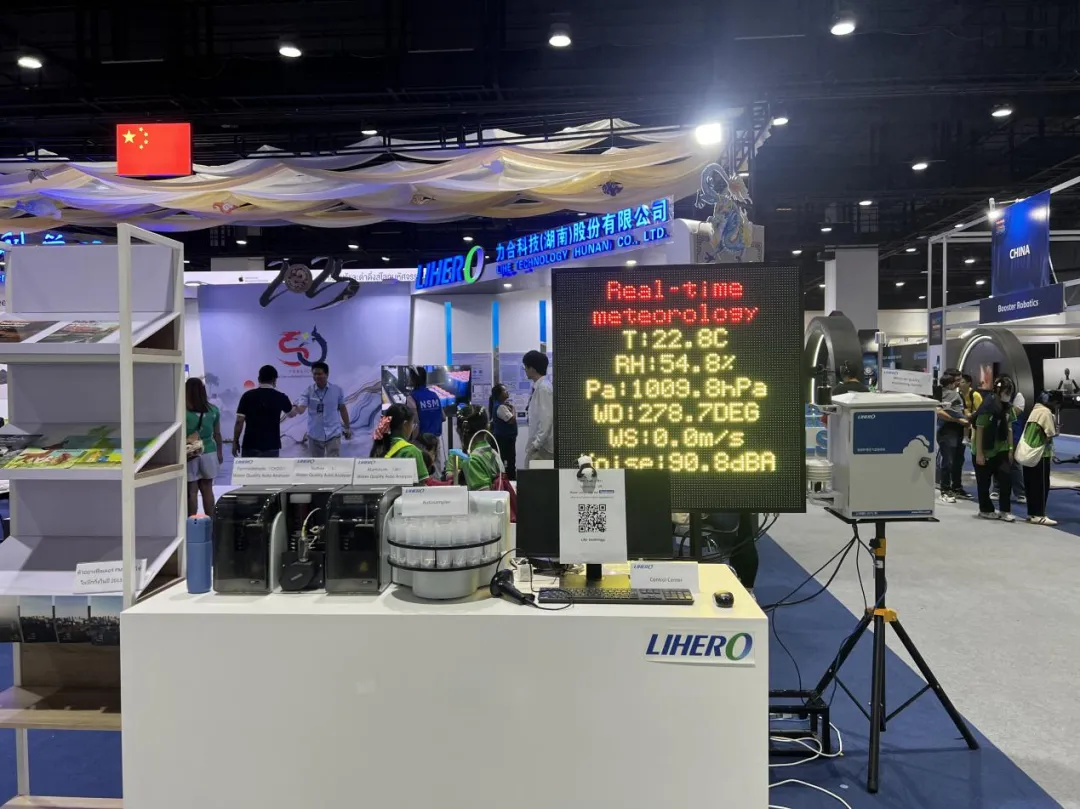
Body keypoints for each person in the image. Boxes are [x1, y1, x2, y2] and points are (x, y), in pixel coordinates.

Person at [974, 375, 1017, 521]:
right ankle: (985, 510)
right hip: (985, 449)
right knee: (984, 483)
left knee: (1006, 480)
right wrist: (979, 453)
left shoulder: (1008, 408)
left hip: (1002, 449)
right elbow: (980, 429)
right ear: (998, 390)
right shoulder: (987, 406)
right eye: (1006, 391)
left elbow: (1009, 428)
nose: (1008, 395)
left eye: (1010, 392)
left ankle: (1005, 510)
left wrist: (1010, 448)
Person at [232, 365, 295, 458]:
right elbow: (292, 414)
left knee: (250, 468)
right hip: (272, 446)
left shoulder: (247, 396)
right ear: (274, 380)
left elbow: (239, 421)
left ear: (259, 379)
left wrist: (235, 441)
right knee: (270, 468)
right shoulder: (281, 397)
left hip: (250, 445)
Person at [294, 361, 352, 457]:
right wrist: (296, 409)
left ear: (327, 374)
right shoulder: (308, 391)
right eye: (314, 374)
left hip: (333, 433)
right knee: (316, 463)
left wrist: (347, 427)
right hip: (314, 434)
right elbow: (301, 408)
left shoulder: (337, 390)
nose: (317, 376)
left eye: (319, 374)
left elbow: (343, 409)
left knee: (333, 462)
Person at [186, 377, 223, 516]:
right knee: (208, 489)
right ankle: (210, 522)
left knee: (192, 491)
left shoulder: (183, 412)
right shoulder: (213, 410)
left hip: (190, 453)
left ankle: (192, 523)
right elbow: (217, 434)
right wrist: (220, 453)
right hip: (209, 452)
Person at [370, 403, 431, 483]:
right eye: (412, 424)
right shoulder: (411, 451)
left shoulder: (378, 447)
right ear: (405, 425)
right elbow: (422, 484)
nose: (412, 428)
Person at [1021, 394, 1058, 526]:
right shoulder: (1045, 412)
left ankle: (1031, 513)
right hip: (1040, 455)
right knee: (1041, 485)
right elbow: (1050, 434)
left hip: (1028, 453)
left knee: (1030, 485)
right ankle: (1039, 514)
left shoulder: (1034, 410)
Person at [449, 405, 504, 490]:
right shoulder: (493, 453)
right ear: (487, 427)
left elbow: (483, 496)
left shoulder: (471, 461)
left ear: (458, 430)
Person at [936, 373, 968, 503]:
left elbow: (962, 411)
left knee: (958, 461)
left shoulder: (958, 395)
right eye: (957, 380)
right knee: (948, 461)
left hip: (959, 430)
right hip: (946, 431)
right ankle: (945, 490)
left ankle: (956, 488)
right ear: (950, 382)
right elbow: (939, 412)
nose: (960, 383)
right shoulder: (939, 393)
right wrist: (957, 420)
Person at [992, 388, 1027, 505]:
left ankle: (1020, 492)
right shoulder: (995, 397)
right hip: (998, 434)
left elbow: (1014, 413)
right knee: (998, 461)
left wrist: (1003, 407)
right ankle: (996, 489)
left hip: (1014, 434)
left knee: (1015, 463)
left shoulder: (1018, 396)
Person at [410, 367, 445, 472]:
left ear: (413, 379)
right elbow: (443, 417)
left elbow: (414, 423)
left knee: (422, 474)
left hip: (420, 443)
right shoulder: (434, 395)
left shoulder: (412, 397)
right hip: (435, 442)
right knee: (436, 472)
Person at [523, 350, 554, 467]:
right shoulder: (540, 387)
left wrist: (536, 444)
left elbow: (546, 418)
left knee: (531, 473)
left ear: (532, 368)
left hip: (543, 448)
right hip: (540, 445)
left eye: (526, 367)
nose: (525, 370)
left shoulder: (543, 388)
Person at [955, 373, 982, 499]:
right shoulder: (959, 395)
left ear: (969, 383)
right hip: (964, 424)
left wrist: (970, 416)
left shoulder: (975, 395)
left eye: (962, 382)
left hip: (975, 425)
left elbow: (980, 411)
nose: (959, 384)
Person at [487, 383, 518, 479]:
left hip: (504, 439)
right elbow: (512, 420)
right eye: (504, 390)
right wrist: (513, 409)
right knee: (509, 463)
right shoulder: (500, 407)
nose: (507, 391)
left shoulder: (500, 406)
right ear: (499, 394)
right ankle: (510, 481)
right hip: (505, 440)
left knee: (508, 461)